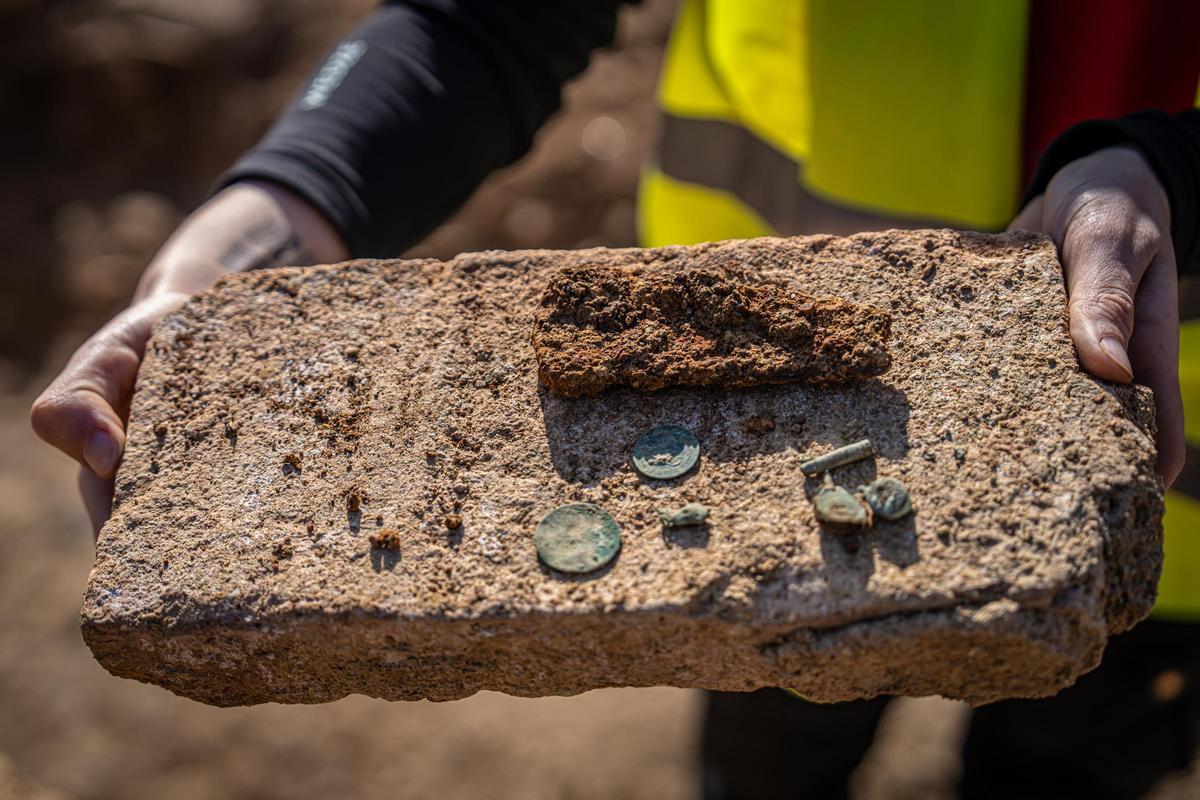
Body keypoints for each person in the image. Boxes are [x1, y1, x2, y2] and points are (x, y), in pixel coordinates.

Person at [28, 1, 1200, 797]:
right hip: (764, 521)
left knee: (1068, 765)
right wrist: (264, 218)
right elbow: (484, 22)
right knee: (770, 743)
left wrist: (1171, 169)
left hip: (1180, 515)